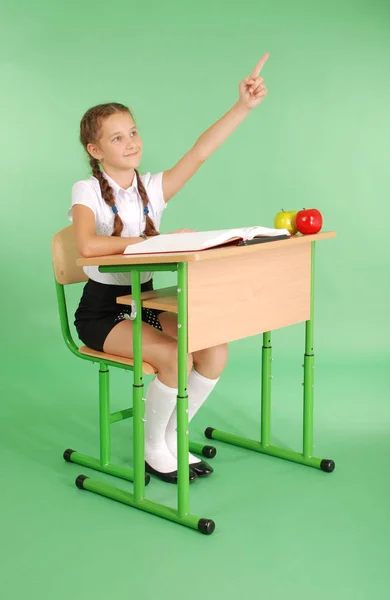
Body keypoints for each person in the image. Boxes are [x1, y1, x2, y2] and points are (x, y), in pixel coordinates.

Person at [68, 53, 269, 484]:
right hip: (103, 312)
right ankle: (152, 447)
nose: (131, 142)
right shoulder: (87, 189)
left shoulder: (151, 189)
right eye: (117, 138)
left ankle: (173, 432)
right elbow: (85, 244)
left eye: (133, 132)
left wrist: (242, 107)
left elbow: (201, 152)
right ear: (95, 149)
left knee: (214, 348)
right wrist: (150, 242)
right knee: (173, 357)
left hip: (144, 303)